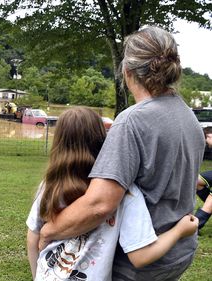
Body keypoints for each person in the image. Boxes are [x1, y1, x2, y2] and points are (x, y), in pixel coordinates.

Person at [38, 26, 204, 280]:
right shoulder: (188, 117)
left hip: (138, 263)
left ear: (127, 72)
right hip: (177, 252)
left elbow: (99, 204)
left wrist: (50, 230)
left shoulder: (133, 121)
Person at [26, 107, 198, 280]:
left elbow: (33, 237)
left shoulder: (49, 186)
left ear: (58, 143)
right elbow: (140, 256)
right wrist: (179, 231)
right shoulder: (125, 192)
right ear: (104, 139)